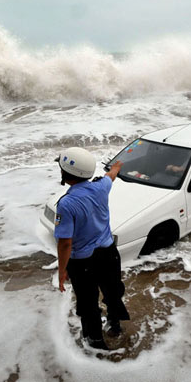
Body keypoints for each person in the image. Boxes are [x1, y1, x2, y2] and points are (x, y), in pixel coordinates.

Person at [54, 147, 130, 350]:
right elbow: (110, 176)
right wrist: (117, 166)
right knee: (113, 292)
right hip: (109, 255)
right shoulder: (101, 187)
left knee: (88, 304)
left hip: (82, 263)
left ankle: (96, 342)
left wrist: (62, 271)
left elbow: (65, 243)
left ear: (65, 175)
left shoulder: (66, 204)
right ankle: (115, 324)